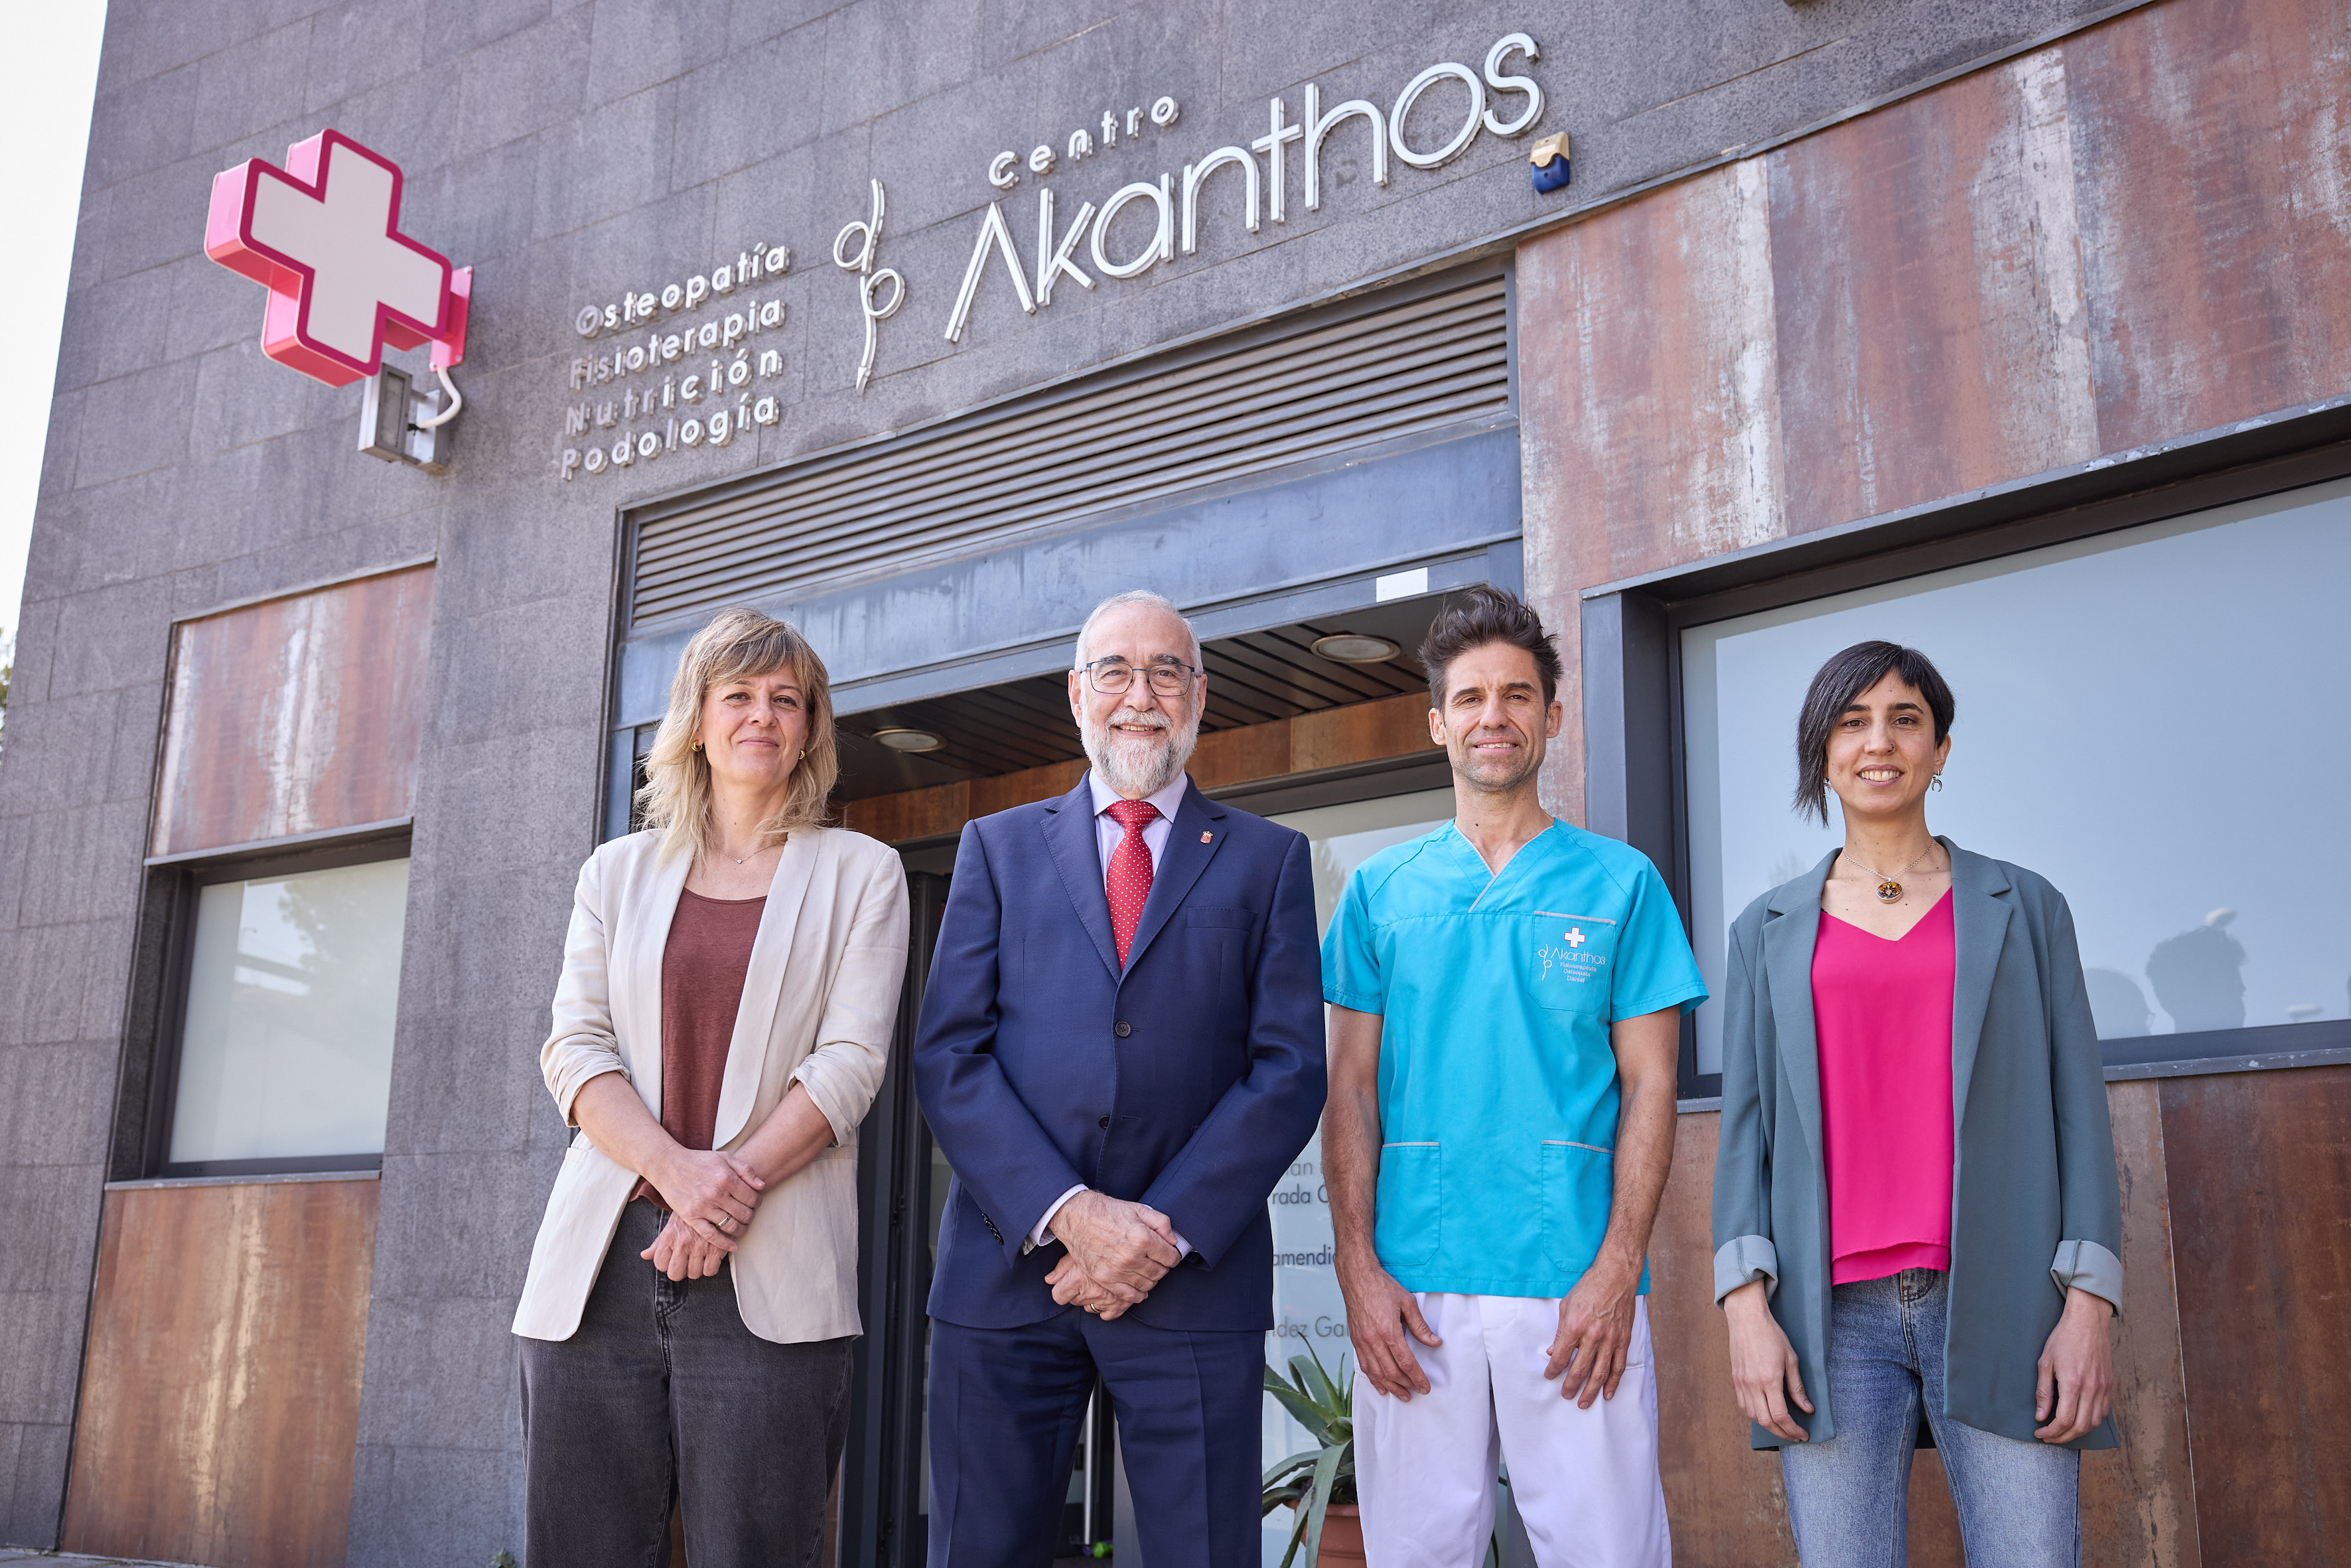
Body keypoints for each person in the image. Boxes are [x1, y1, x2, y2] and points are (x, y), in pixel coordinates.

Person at [914, 589, 1326, 1567]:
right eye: (1116, 672)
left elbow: (1288, 1070)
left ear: (1200, 695)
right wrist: (1071, 1214)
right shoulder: (996, 849)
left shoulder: (1269, 860)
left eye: (1166, 672)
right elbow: (949, 1056)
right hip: (1008, 1276)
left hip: (1192, 1286)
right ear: (1076, 694)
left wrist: (1156, 1234)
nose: (1141, 696)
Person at [511, 608, 909, 1568]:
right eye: (738, 696)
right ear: (696, 722)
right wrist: (678, 1176)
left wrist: (718, 1199)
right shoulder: (615, 873)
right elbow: (575, 1050)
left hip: (770, 1271)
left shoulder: (864, 874)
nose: (761, 715)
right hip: (599, 1271)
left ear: (810, 730)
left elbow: (850, 1063)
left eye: (787, 700)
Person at [1711, 640, 2123, 1567]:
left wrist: (2090, 1305)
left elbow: (2080, 1115)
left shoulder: (2027, 907)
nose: (1879, 743)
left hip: (2010, 1299)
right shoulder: (1765, 929)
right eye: (1851, 722)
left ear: (1941, 750)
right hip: (1826, 1316)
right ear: (1822, 752)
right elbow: (1744, 1136)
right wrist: (1745, 1307)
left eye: (1906, 720)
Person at [1323, 585, 1705, 1567]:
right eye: (1471, 697)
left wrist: (1617, 1268)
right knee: (1416, 1556)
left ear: (1553, 716)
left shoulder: (1621, 885)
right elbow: (1349, 1089)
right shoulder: (1379, 893)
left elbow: (1652, 1088)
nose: (1494, 716)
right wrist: (1359, 1269)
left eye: (1518, 695)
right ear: (1438, 723)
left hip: (1573, 1284)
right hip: (1415, 1290)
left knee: (1609, 1553)